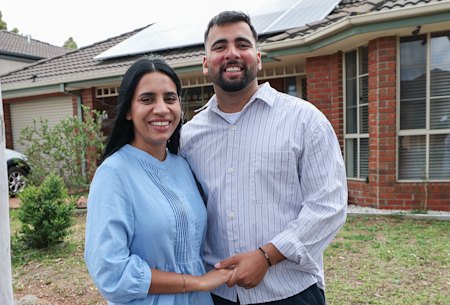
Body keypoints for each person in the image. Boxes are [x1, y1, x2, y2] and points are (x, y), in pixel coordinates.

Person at [180, 11, 348, 305]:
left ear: (258, 57)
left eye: (242, 44)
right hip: (216, 295)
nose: (232, 53)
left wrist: (266, 256)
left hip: (290, 292)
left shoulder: (304, 120)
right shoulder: (189, 138)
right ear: (205, 64)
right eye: (220, 47)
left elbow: (329, 206)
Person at [84, 55, 232, 305]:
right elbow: (111, 273)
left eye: (170, 98)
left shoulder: (182, 165)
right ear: (129, 111)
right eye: (147, 99)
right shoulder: (114, 174)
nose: (162, 109)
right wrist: (196, 282)